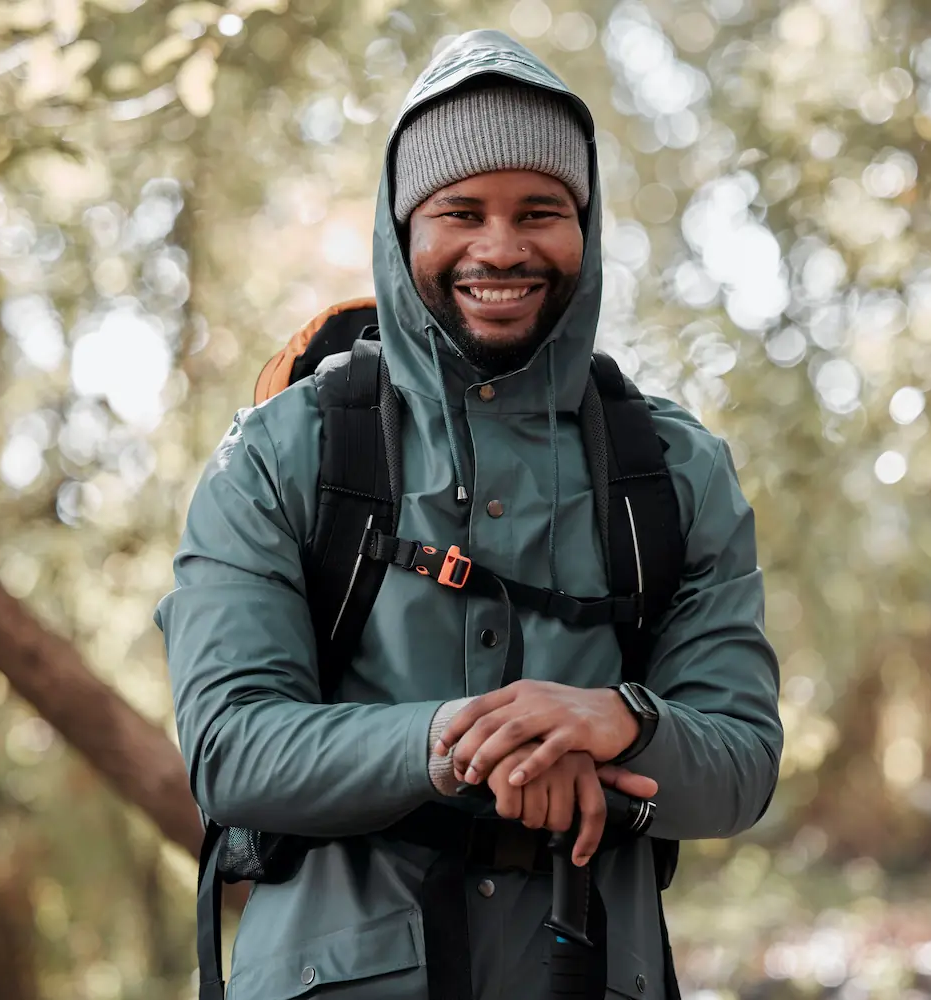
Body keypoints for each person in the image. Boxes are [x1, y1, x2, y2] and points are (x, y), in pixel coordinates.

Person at [156, 29, 783, 1000]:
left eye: (541, 211)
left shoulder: (675, 469)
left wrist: (618, 721)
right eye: (460, 211)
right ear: (402, 228)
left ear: (586, 228)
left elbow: (740, 763)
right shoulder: (282, 453)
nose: (501, 248)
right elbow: (230, 746)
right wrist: (463, 741)